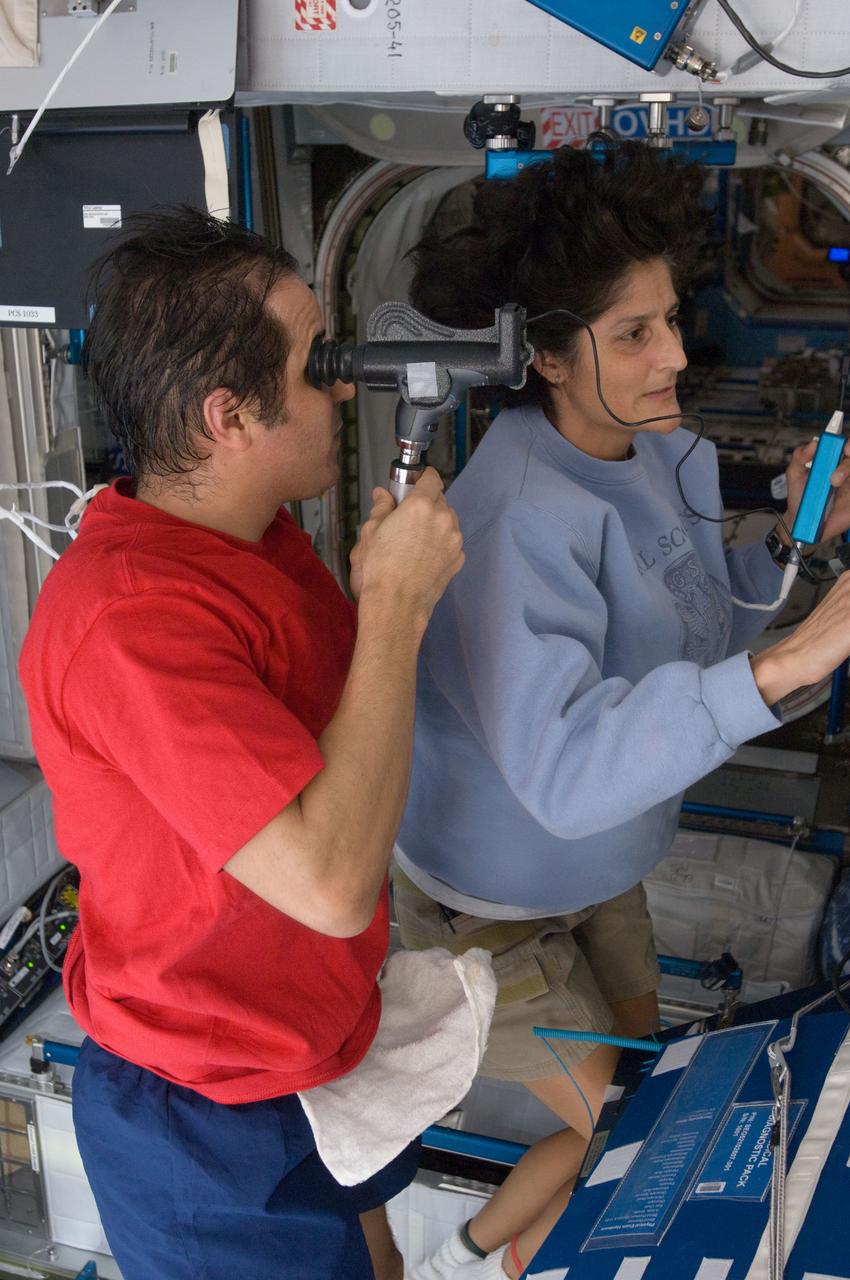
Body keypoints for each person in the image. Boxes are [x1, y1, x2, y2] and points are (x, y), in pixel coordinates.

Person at [394, 142, 850, 1280]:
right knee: (629, 1130)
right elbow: (567, 770)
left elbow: (701, 617)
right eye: (634, 333)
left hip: (602, 870)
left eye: (670, 318)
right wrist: (793, 660)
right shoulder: (515, 522)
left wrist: (797, 529)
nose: (677, 355)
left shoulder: (661, 451)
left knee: (647, 1075)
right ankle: (462, 1257)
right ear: (545, 354)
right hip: (487, 916)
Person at [18, 207, 465, 1280]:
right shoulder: (132, 617)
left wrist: (384, 596)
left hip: (307, 1051)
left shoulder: (252, 541)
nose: (344, 385)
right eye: (319, 368)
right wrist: (395, 608)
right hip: (200, 1116)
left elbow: (337, 725)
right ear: (229, 417)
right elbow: (326, 882)